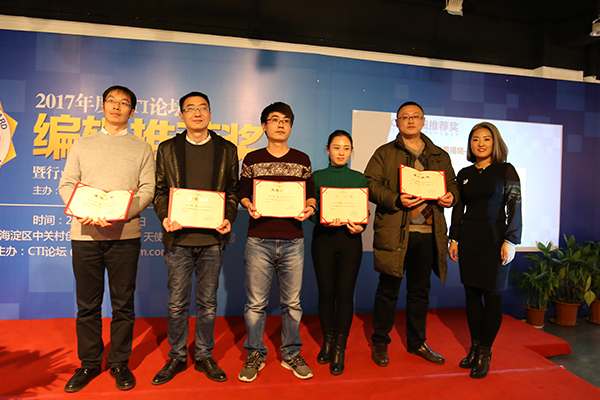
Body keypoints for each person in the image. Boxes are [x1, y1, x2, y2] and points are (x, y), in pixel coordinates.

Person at [59, 85, 155, 392]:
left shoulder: (142, 147)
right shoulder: (82, 143)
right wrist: (81, 210)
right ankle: (89, 363)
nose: (117, 106)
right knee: (87, 305)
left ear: (132, 111)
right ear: (102, 106)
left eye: (124, 103)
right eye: (111, 101)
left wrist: (122, 213)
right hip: (85, 234)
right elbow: (67, 184)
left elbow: (148, 189)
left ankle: (119, 362)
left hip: (124, 235)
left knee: (123, 304)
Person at [151, 91, 239, 385]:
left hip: (212, 239)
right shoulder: (167, 149)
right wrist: (165, 217)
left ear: (210, 114)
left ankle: (203, 355)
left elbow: (232, 191)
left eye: (203, 108)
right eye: (190, 108)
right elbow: (160, 191)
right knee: (177, 303)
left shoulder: (226, 149)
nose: (197, 113)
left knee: (208, 303)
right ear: (181, 116)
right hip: (178, 239)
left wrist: (229, 216)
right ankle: (177, 356)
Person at [364, 101, 458, 367]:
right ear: (397, 122)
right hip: (395, 233)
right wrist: (396, 199)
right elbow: (370, 183)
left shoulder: (439, 155)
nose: (410, 121)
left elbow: (452, 183)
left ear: (423, 121)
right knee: (388, 291)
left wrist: (452, 196)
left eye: (415, 116)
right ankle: (380, 342)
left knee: (420, 292)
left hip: (428, 234)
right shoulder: (385, 153)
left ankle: (417, 343)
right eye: (404, 117)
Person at [238, 102, 316, 382]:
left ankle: (291, 353)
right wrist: (248, 203)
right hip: (259, 239)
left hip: (293, 239)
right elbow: (243, 191)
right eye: (274, 119)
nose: (280, 124)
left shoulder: (302, 159)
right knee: (255, 304)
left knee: (292, 303)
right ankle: (255, 353)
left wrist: (310, 207)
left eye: (285, 120)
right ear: (264, 126)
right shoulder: (252, 158)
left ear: (291, 127)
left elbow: (309, 193)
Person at [449, 122, 522, 379]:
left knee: (492, 297)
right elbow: (458, 208)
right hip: (470, 239)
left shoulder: (506, 170)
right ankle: (474, 347)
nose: (480, 143)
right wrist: (454, 238)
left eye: (486, 139)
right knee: (471, 296)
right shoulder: (464, 173)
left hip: (495, 239)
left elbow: (515, 205)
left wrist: (511, 240)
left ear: (495, 143)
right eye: (475, 139)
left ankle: (485, 353)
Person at [309, 130, 368, 375]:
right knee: (326, 293)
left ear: (351, 151)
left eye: (346, 148)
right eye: (336, 147)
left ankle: (339, 348)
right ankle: (328, 341)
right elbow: (311, 210)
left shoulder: (359, 178)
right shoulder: (317, 176)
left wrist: (361, 226)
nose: (341, 152)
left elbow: (363, 214)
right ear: (327, 149)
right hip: (323, 239)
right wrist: (322, 220)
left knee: (344, 294)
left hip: (350, 241)